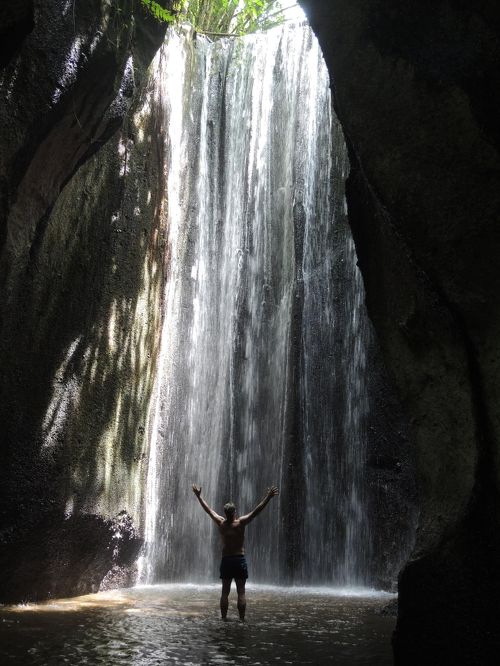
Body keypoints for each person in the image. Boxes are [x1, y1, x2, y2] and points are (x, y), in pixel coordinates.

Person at [192, 483, 279, 621]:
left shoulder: (220, 522)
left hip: (226, 560)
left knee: (225, 592)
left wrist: (199, 496)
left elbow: (208, 510)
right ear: (234, 512)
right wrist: (268, 497)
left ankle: (224, 619)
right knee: (241, 592)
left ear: (225, 513)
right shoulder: (241, 523)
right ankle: (242, 619)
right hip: (239, 559)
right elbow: (256, 511)